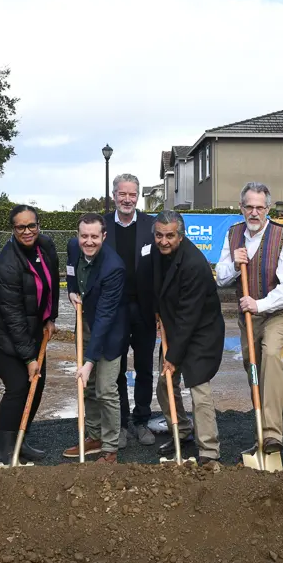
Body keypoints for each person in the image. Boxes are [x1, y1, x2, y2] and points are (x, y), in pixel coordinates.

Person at [215, 182, 283, 455]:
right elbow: (221, 277)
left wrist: (259, 303)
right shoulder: (233, 235)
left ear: (267, 208)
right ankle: (259, 432)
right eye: (249, 207)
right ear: (241, 208)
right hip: (247, 320)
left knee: (271, 358)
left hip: (275, 313)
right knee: (253, 368)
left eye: (259, 207)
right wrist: (233, 262)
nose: (254, 213)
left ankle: (273, 435)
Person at [0, 205, 59, 463]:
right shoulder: (5, 265)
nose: (27, 231)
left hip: (34, 325)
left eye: (32, 225)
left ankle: (20, 442)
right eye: (21, 227)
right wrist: (29, 358)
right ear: (13, 229)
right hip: (2, 331)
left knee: (36, 385)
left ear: (38, 225)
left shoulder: (45, 246)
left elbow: (52, 284)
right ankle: (6, 451)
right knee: (17, 387)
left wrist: (50, 317)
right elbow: (12, 318)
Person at [152, 210, 225, 466]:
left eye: (170, 236)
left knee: (198, 387)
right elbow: (154, 286)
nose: (163, 241)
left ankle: (209, 450)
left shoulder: (194, 264)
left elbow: (189, 317)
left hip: (202, 331)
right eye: (159, 235)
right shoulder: (156, 253)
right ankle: (182, 429)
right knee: (164, 384)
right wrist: (156, 312)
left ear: (180, 236)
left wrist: (172, 357)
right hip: (176, 326)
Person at [63, 213, 128, 462]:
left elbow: (105, 318)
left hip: (110, 331)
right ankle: (94, 436)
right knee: (87, 386)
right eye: (84, 236)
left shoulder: (114, 268)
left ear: (104, 236)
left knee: (105, 390)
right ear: (78, 235)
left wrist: (89, 362)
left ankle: (110, 447)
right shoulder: (72, 247)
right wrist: (71, 289)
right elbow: (70, 269)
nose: (88, 241)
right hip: (86, 322)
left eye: (94, 236)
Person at [103, 174, 158, 448]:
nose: (127, 199)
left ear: (138, 196)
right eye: (122, 194)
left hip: (145, 309)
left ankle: (142, 420)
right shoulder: (101, 226)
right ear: (114, 195)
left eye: (132, 194)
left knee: (145, 367)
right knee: (118, 368)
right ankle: (121, 423)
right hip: (115, 310)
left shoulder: (151, 226)